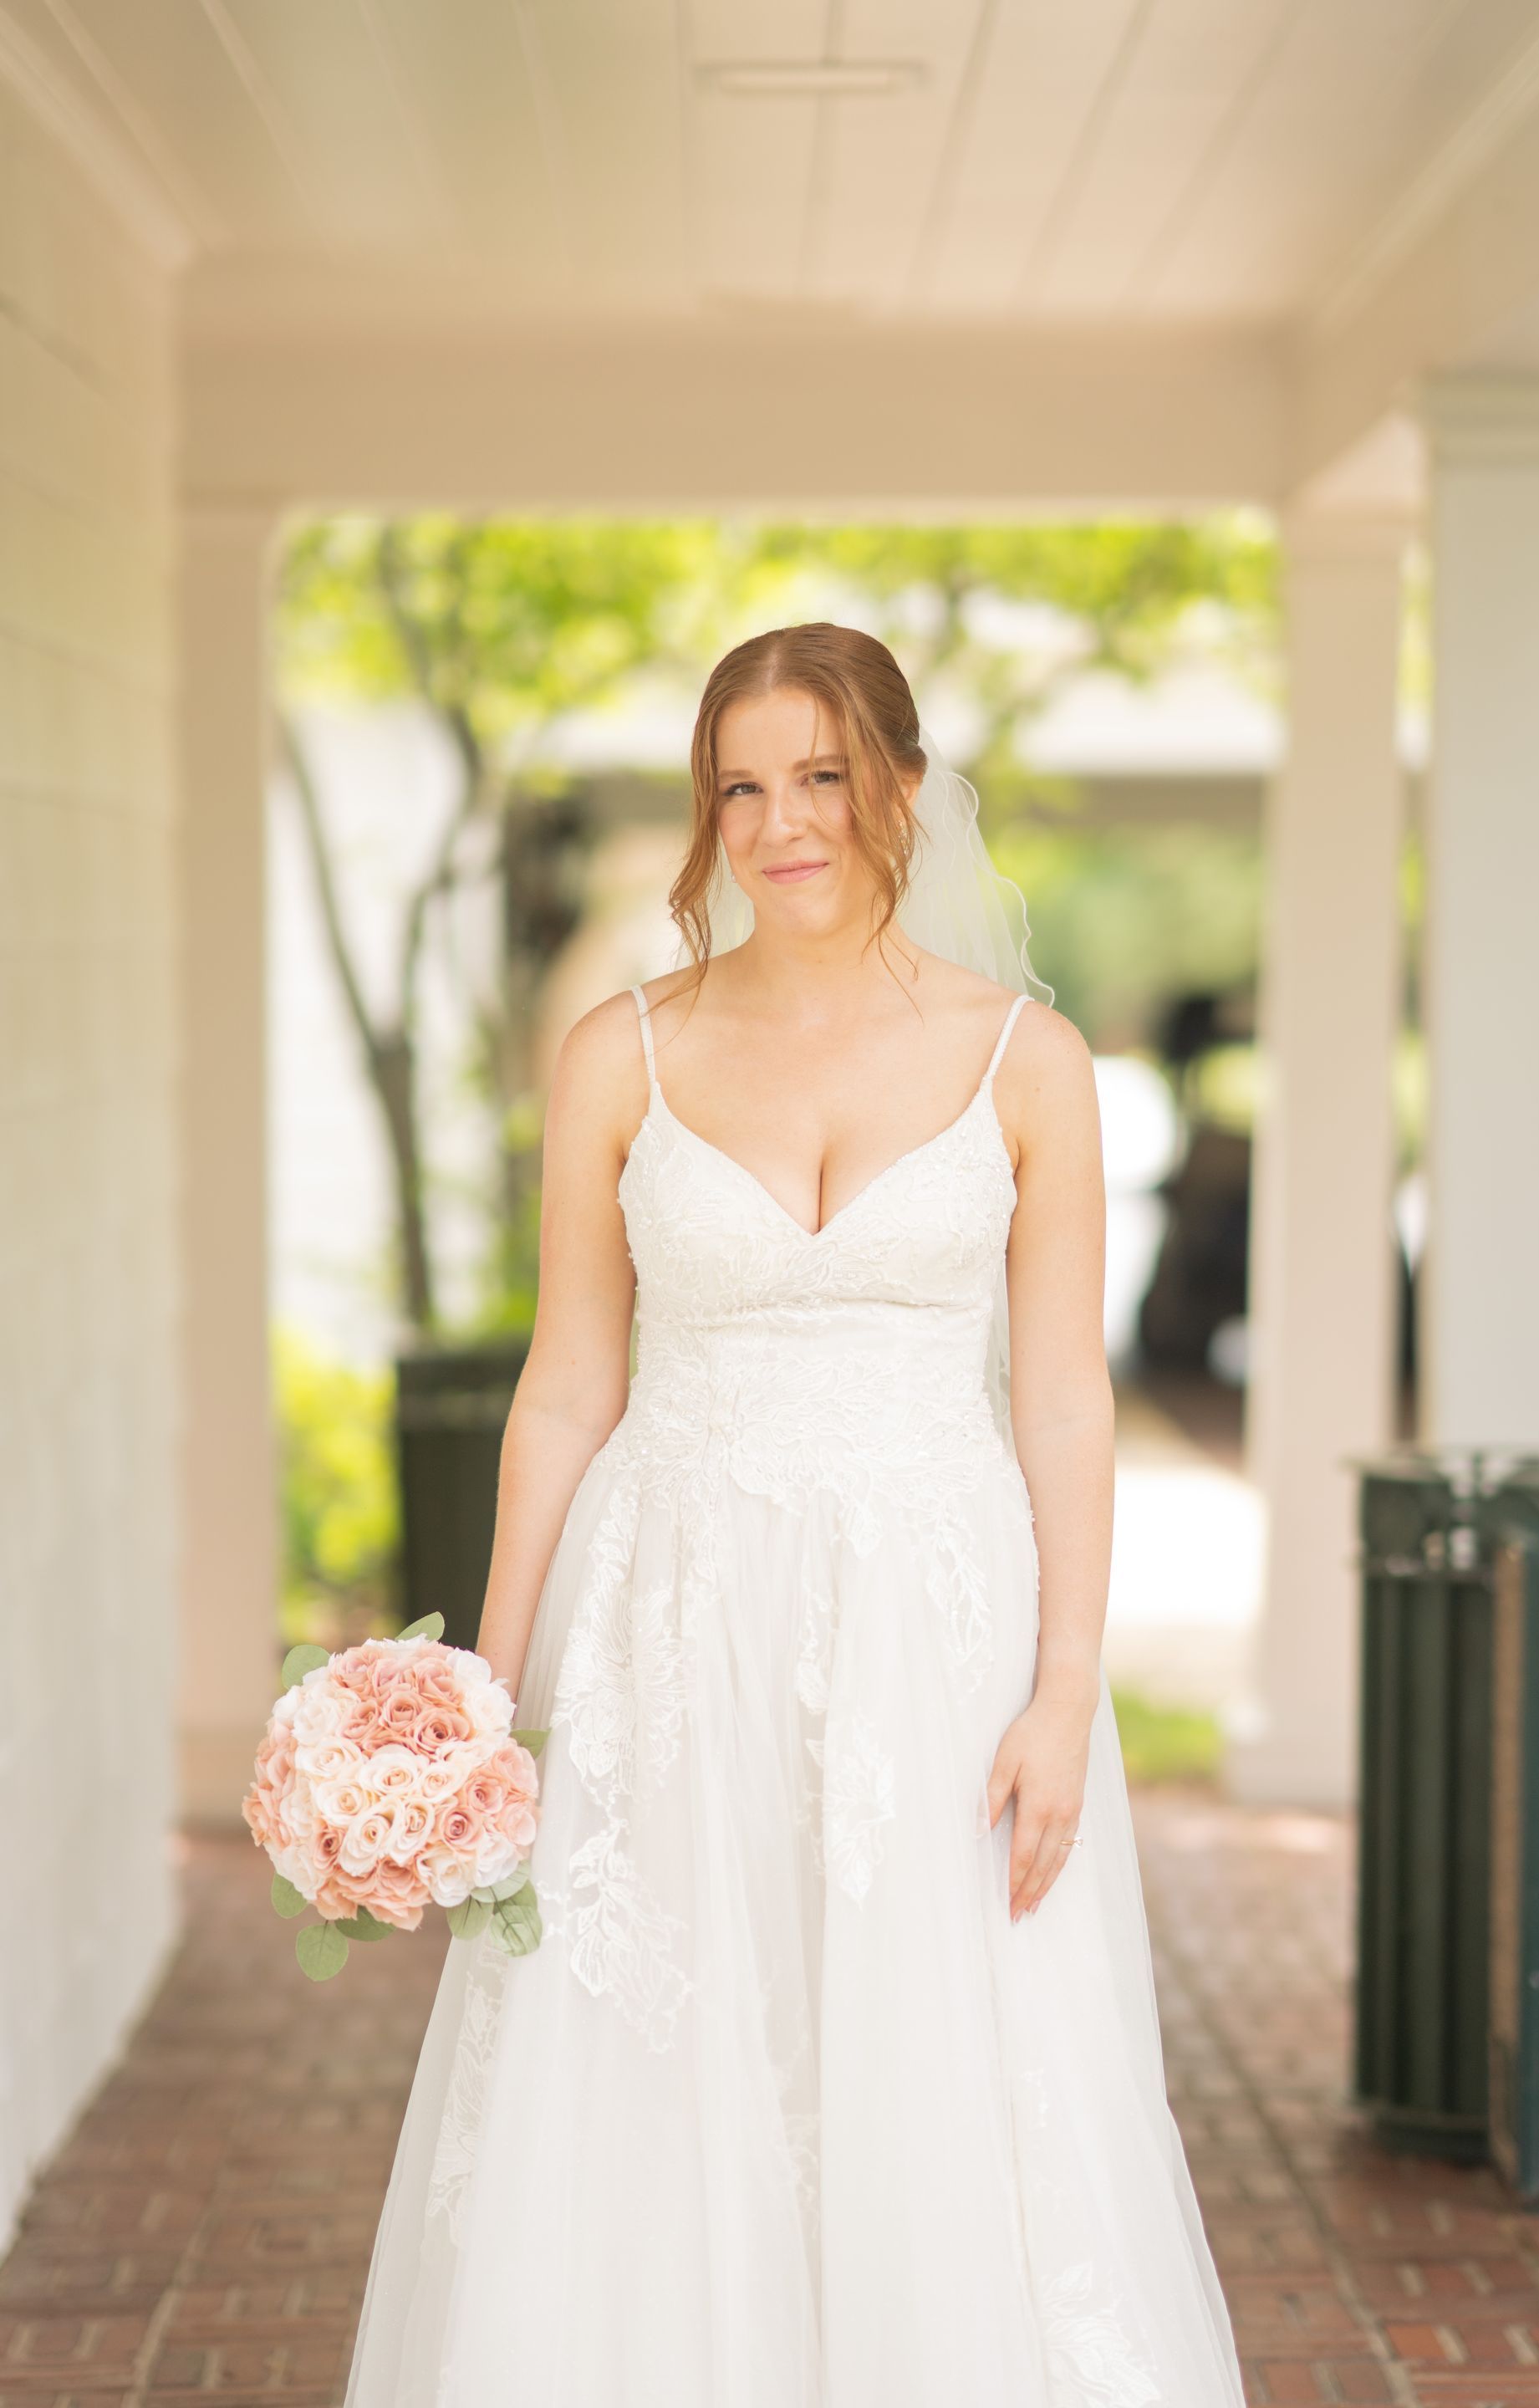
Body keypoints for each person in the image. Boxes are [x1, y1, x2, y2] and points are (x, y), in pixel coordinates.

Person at [344, 623, 1246, 2407]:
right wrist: (473, 1707)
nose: (781, 823)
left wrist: (1067, 1688)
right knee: (662, 2060)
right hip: (663, 1627)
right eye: (739, 787)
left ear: (903, 787)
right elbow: (567, 1389)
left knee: (932, 2067)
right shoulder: (625, 1053)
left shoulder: (1027, 1063)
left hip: (938, 1637)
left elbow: (1066, 1395)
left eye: (822, 776)